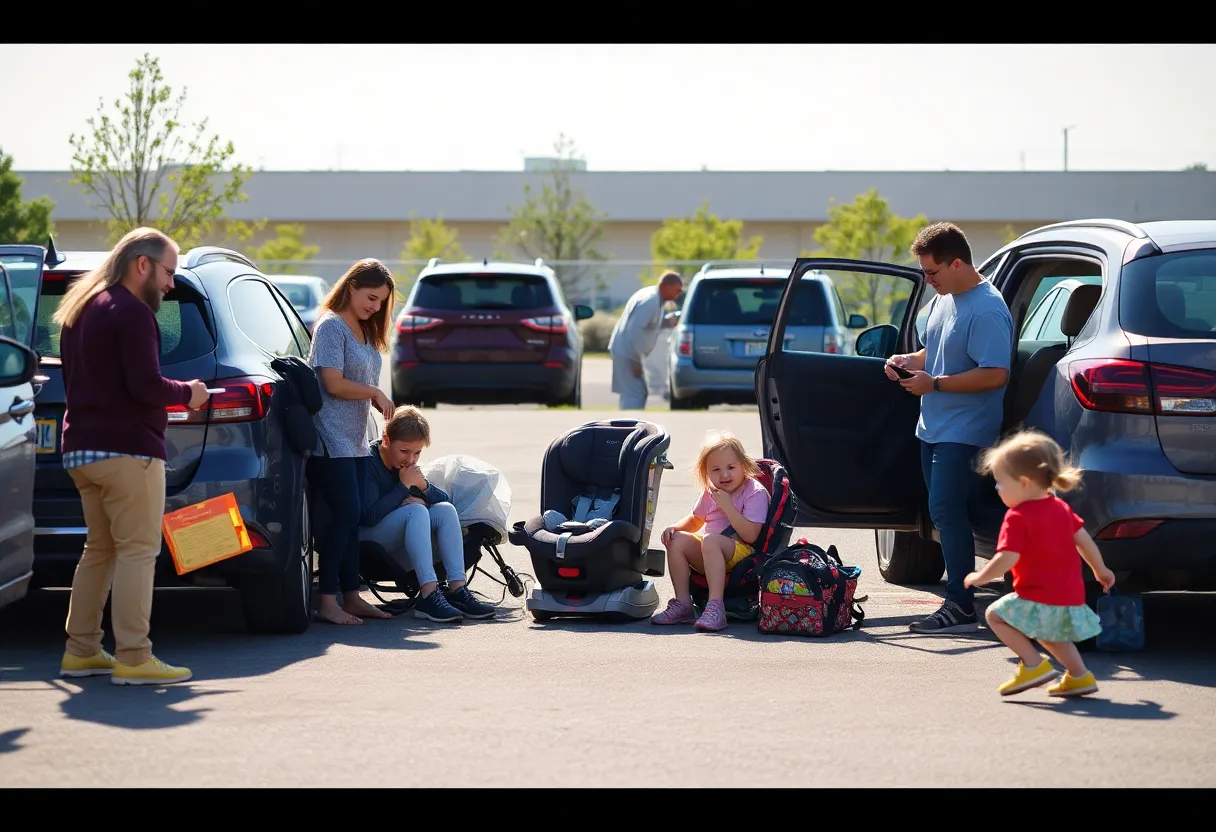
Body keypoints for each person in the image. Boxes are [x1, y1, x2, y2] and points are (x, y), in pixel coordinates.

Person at [53, 227, 211, 686]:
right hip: (128, 451)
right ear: (142, 263)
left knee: (98, 550)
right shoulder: (132, 313)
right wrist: (190, 392)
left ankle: (80, 650)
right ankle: (134, 657)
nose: (169, 284)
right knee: (139, 552)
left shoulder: (81, 309)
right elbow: (145, 386)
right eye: (168, 273)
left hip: (81, 450)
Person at [885, 222, 1015, 635]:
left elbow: (996, 374)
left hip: (966, 430)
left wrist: (935, 384)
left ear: (957, 262)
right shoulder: (945, 299)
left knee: (947, 510)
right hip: (934, 426)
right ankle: (1004, 588)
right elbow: (939, 351)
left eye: (932, 272)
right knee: (954, 511)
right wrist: (910, 360)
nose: (927, 280)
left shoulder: (988, 307)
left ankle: (960, 603)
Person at [964, 430, 1115, 697]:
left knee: (995, 616)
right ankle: (1080, 676)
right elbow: (1085, 541)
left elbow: (1008, 557)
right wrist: (1100, 570)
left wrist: (981, 576)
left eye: (1000, 482)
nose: (997, 489)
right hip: (1066, 593)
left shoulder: (1017, 516)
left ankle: (1033, 665)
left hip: (1037, 592)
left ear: (1023, 483)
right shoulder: (1060, 508)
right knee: (1050, 634)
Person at [309, 258, 397, 625]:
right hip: (330, 438)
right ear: (351, 286)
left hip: (357, 439)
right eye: (371, 297)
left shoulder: (363, 330)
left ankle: (352, 596)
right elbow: (332, 382)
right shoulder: (331, 328)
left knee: (354, 517)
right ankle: (327, 601)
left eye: (381, 303)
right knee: (343, 515)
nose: (375, 307)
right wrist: (374, 392)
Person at [359, 405, 496, 622]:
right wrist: (403, 488)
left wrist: (423, 487)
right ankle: (429, 593)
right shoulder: (369, 461)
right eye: (404, 451)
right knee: (415, 510)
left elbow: (445, 501)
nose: (411, 459)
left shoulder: (405, 464)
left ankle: (458, 589)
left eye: (418, 453)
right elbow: (367, 516)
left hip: (398, 537)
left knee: (444, 510)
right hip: (368, 540)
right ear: (386, 440)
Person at [651, 431, 770, 632]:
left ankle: (716, 606)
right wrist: (676, 528)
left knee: (710, 540)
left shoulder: (754, 492)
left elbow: (751, 535)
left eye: (731, 467)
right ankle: (683, 604)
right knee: (677, 540)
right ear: (706, 473)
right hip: (711, 551)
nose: (724, 475)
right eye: (716, 469)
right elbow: (695, 519)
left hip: (742, 554)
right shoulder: (710, 491)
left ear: (744, 466)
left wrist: (728, 507)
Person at [607, 270, 683, 410]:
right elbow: (635, 329)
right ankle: (630, 426)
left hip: (624, 349)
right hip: (628, 352)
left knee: (631, 392)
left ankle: (625, 424)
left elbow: (645, 324)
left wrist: (665, 323)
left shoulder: (652, 296)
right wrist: (635, 359)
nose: (678, 294)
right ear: (666, 286)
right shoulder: (650, 300)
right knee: (636, 393)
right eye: (677, 290)